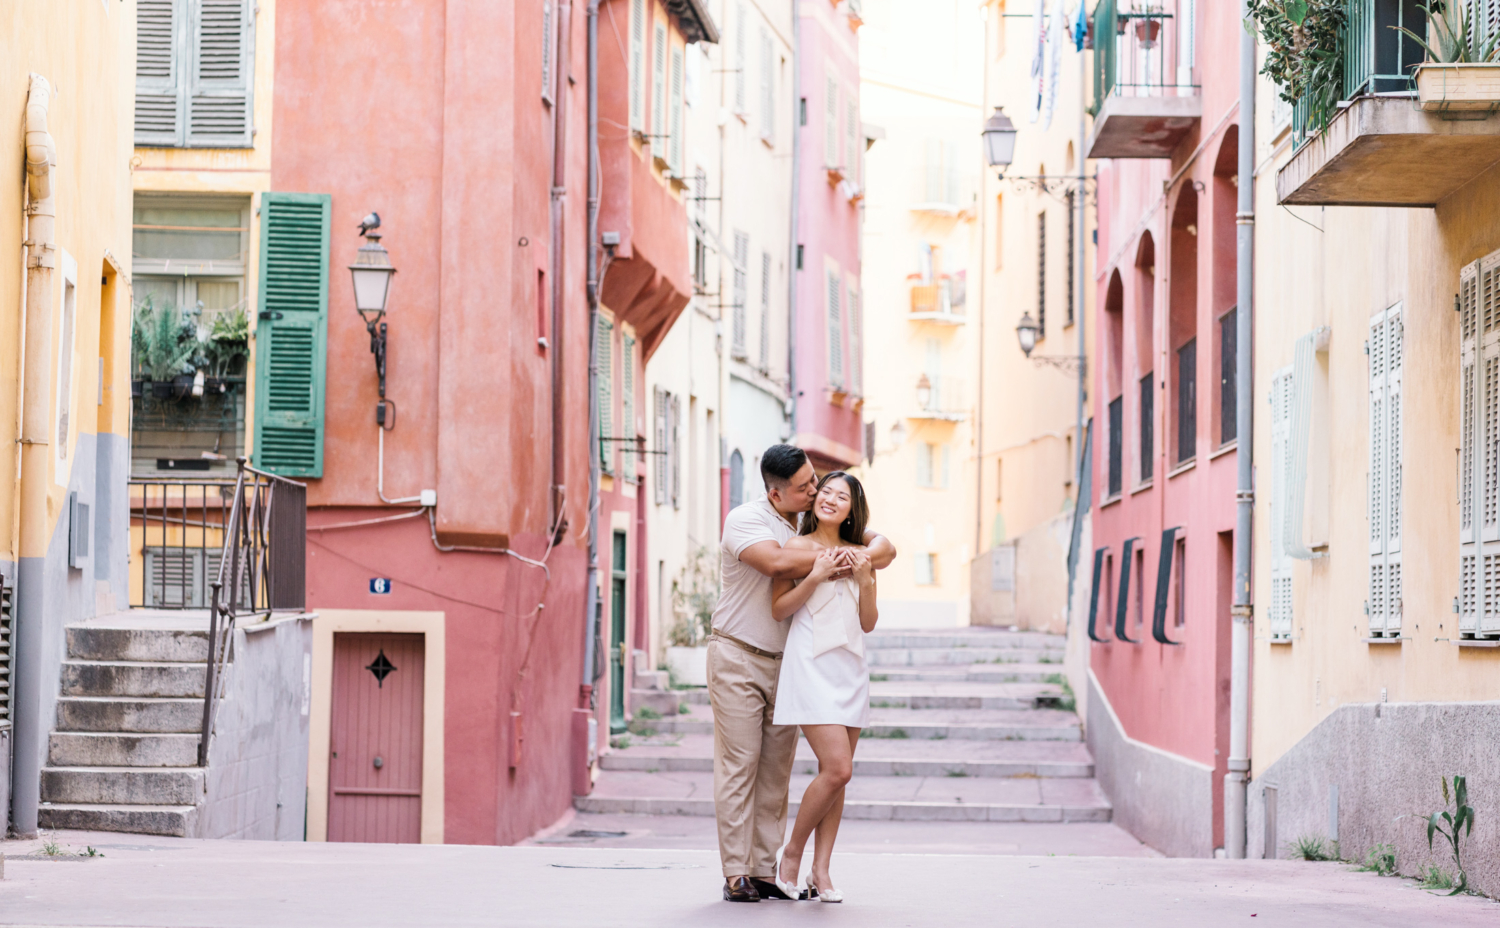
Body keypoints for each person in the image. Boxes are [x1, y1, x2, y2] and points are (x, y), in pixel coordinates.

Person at [709, 445, 895, 903]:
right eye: (807, 487)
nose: (816, 491)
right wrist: (837, 563)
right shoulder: (748, 521)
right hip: (741, 654)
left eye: (818, 483)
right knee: (741, 766)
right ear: (776, 494)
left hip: (789, 659)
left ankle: (767, 869)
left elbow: (881, 544)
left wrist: (866, 557)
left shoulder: (807, 518)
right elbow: (776, 566)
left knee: (777, 770)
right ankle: (737, 873)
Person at [769, 471, 877, 904]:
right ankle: (791, 856)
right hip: (810, 665)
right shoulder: (795, 548)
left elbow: (868, 622)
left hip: (850, 668)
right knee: (839, 768)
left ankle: (822, 870)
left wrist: (866, 580)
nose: (830, 499)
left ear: (854, 508)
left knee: (836, 779)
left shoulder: (860, 554)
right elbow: (780, 609)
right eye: (825, 492)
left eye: (842, 496)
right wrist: (815, 576)